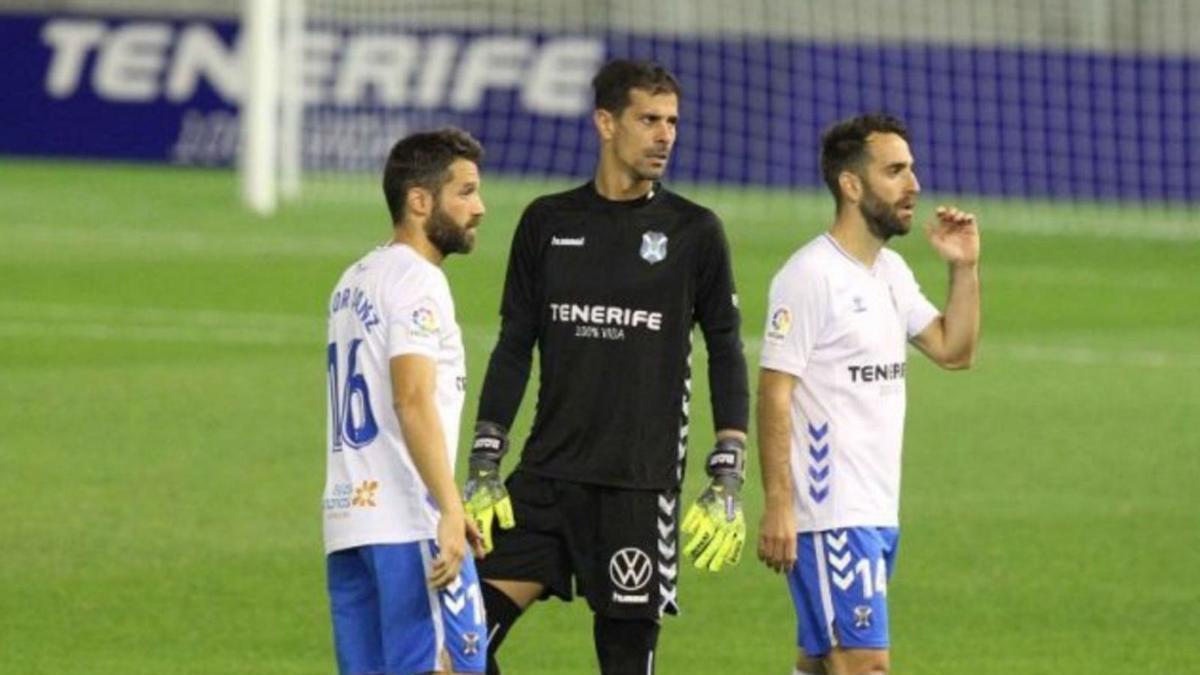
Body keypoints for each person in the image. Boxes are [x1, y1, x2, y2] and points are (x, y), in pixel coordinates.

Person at [460, 59, 751, 674]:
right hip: (544, 479)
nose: (665, 135)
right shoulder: (548, 222)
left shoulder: (694, 231)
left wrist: (729, 466)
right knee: (457, 640)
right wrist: (487, 455)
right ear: (605, 123)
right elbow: (516, 343)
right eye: (649, 119)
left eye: (672, 121)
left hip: (636, 489)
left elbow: (726, 346)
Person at [756, 113, 981, 675]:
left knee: (820, 663)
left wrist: (964, 268)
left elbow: (955, 350)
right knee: (865, 665)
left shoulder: (891, 272)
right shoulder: (809, 275)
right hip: (831, 514)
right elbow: (773, 392)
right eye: (896, 171)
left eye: (912, 169)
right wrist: (781, 506)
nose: (915, 185)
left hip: (876, 509)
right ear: (851, 185)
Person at [321, 128, 489, 675]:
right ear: (420, 200)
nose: (479, 208)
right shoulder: (419, 281)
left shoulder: (354, 279)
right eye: (464, 192)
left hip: (349, 521)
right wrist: (449, 506)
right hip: (408, 520)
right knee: (452, 665)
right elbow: (412, 399)